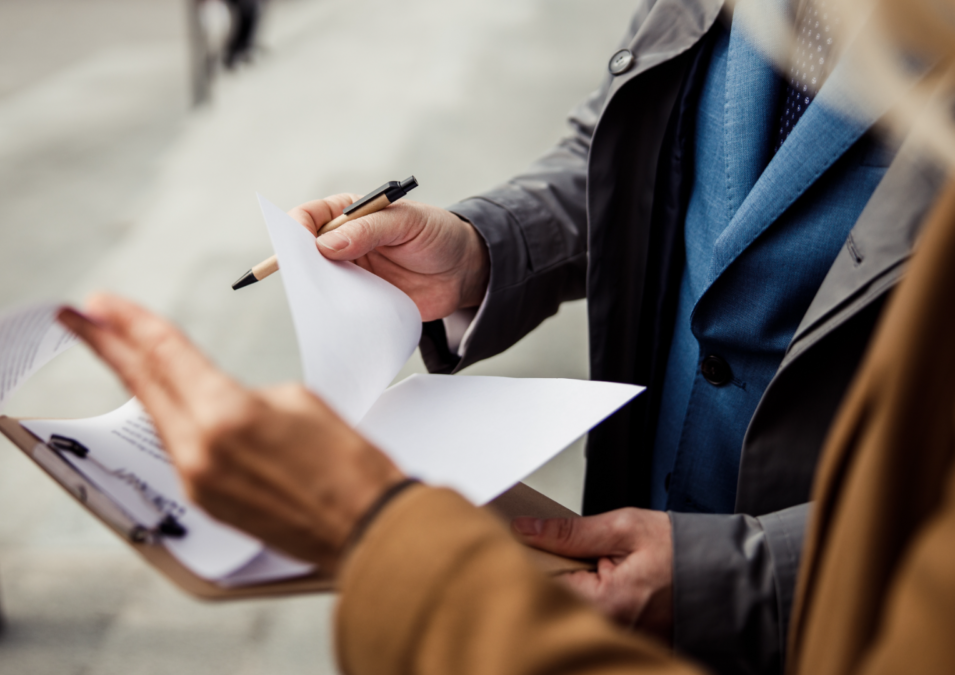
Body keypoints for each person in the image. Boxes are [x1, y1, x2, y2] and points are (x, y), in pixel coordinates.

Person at [217, 0, 947, 671]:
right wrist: (481, 248)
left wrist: (737, 577)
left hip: (843, 628)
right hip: (635, 515)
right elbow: (626, 143)